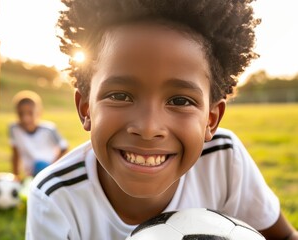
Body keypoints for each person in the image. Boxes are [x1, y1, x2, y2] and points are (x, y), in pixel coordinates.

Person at [25, 0, 298, 239]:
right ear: (85, 109)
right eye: (120, 95)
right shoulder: (55, 198)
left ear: (211, 120)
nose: (148, 128)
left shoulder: (224, 160)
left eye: (180, 101)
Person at [9, 90, 68, 179]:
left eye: (30, 113)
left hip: (48, 168)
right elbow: (15, 153)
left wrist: (53, 167)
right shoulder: (14, 129)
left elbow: (64, 147)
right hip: (29, 173)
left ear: (38, 113)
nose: (25, 118)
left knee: (40, 165)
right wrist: (16, 176)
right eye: (21, 114)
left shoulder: (49, 129)